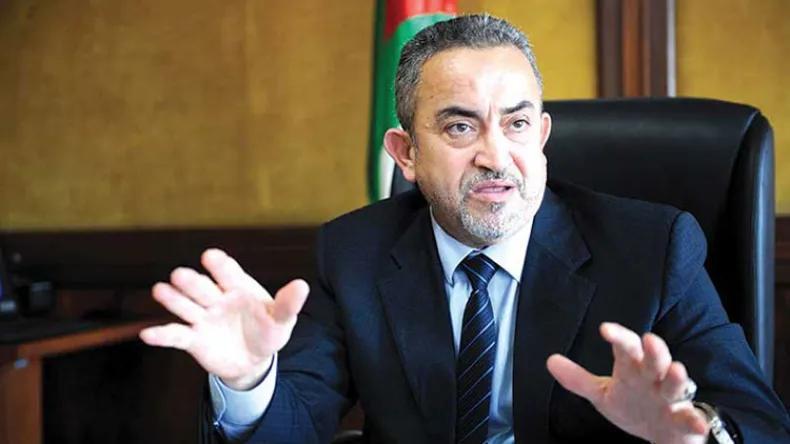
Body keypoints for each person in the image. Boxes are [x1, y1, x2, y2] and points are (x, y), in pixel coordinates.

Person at [140, 14, 790, 444]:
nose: (494, 156)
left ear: (541, 136)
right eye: (459, 126)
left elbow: (760, 423)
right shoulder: (355, 253)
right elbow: (296, 425)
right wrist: (251, 381)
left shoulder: (653, 248)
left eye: (516, 124)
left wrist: (693, 433)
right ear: (405, 153)